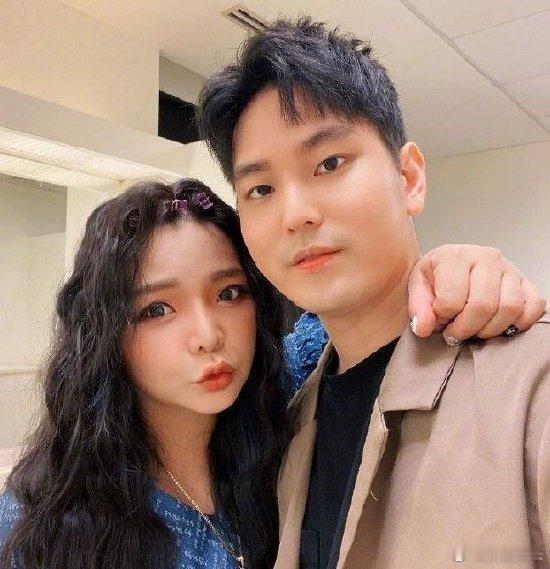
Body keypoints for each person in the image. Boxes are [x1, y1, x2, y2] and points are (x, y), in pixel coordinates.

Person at [0, 177, 542, 569]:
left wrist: (456, 268)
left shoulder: (283, 396)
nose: (208, 335)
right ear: (104, 335)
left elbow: (360, 305)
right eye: (157, 309)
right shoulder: (38, 524)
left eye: (229, 293)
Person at [197, 18, 549, 568]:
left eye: (329, 163)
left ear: (408, 179)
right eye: (261, 189)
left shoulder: (531, 388)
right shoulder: (290, 424)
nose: (296, 214)